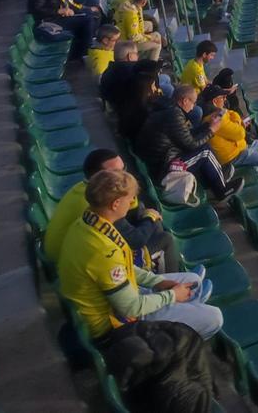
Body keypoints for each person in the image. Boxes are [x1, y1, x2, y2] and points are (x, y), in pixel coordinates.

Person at [56, 169, 223, 341]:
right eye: (129, 200)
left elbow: (123, 267)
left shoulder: (86, 222)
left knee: (193, 280)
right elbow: (131, 308)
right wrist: (172, 295)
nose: (131, 205)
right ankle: (178, 343)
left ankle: (186, 313)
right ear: (116, 204)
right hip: (116, 323)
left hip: (116, 299)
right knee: (215, 317)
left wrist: (157, 281)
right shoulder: (104, 252)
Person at [43, 148, 177, 274]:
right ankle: (174, 287)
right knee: (165, 238)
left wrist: (144, 214)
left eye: (124, 169)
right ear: (100, 178)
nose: (125, 176)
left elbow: (135, 209)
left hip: (76, 257)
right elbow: (135, 240)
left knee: (153, 224)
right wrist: (149, 218)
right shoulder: (99, 203)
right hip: (72, 266)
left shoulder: (87, 189)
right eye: (117, 173)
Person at [135, 85, 241, 203]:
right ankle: (221, 191)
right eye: (193, 102)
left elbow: (186, 135)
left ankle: (214, 179)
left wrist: (207, 126)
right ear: (185, 101)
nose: (194, 106)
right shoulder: (174, 115)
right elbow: (191, 144)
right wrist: (211, 131)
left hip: (161, 160)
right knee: (204, 152)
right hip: (163, 169)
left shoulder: (168, 110)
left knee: (203, 148)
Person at [206, 87, 258, 184]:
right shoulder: (217, 119)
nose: (225, 99)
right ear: (214, 101)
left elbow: (231, 113)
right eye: (222, 97)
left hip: (237, 148)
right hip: (233, 157)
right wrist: (240, 123)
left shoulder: (219, 112)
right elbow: (240, 134)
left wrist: (238, 123)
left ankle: (254, 176)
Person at [29, 0, 96, 57]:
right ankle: (86, 52)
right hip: (49, 21)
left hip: (58, 17)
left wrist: (72, 10)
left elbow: (68, 2)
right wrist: (58, 11)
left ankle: (85, 49)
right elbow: (36, 9)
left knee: (91, 14)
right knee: (87, 20)